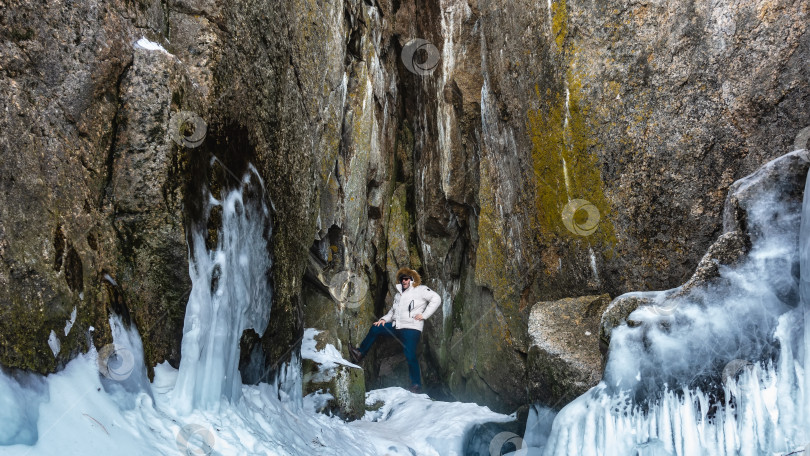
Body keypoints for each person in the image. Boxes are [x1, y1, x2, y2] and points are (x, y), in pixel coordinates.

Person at [349, 267, 441, 394]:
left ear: (411, 279)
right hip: (397, 326)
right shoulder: (399, 295)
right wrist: (383, 320)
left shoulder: (420, 290)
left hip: (411, 328)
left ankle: (416, 385)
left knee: (410, 355)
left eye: (406, 279)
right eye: (402, 279)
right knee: (376, 328)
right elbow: (393, 312)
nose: (404, 281)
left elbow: (436, 299)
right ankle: (360, 353)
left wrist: (424, 315)